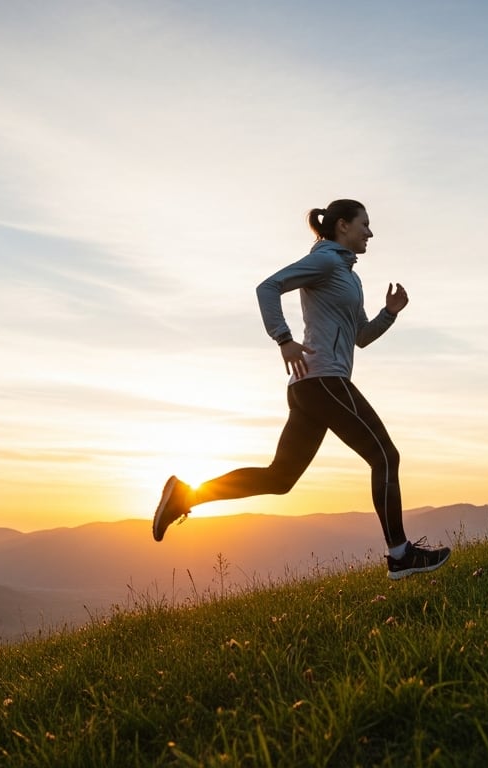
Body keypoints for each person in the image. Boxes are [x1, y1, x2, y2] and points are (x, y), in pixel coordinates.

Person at [151, 199, 451, 580]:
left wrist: (389, 313)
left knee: (280, 479)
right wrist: (284, 339)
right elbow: (268, 287)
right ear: (342, 226)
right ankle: (400, 555)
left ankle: (186, 495)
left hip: (313, 387)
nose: (370, 233)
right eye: (365, 224)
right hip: (323, 380)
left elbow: (360, 337)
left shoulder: (349, 278)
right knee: (385, 456)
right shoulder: (326, 262)